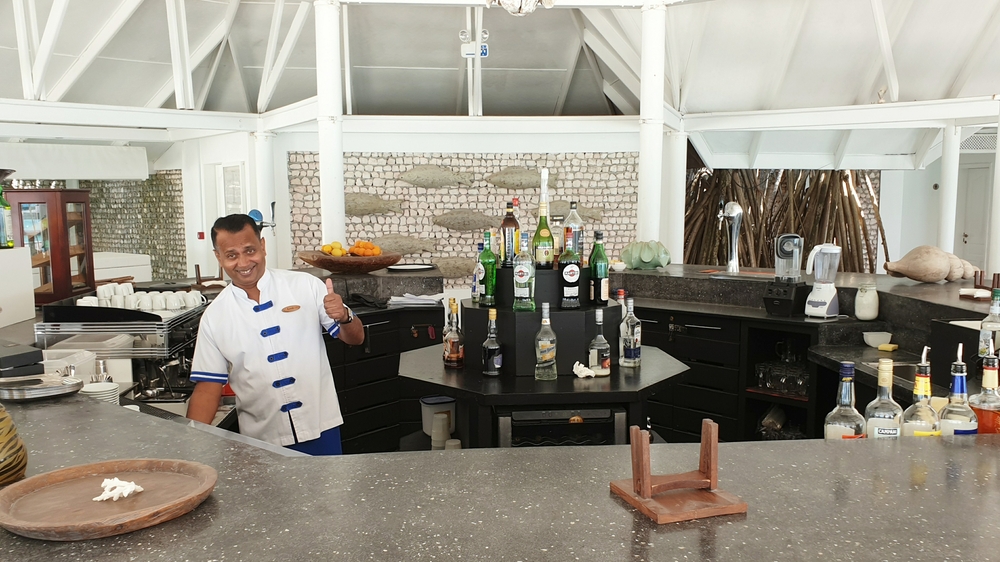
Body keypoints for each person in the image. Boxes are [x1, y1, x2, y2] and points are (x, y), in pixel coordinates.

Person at [186, 214, 364, 455]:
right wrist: (189, 446)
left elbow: (355, 338)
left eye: (250, 250)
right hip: (261, 442)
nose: (243, 262)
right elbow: (208, 388)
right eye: (231, 255)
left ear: (263, 246)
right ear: (218, 257)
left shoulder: (305, 285)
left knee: (331, 493)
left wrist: (344, 315)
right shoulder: (214, 316)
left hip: (321, 428)